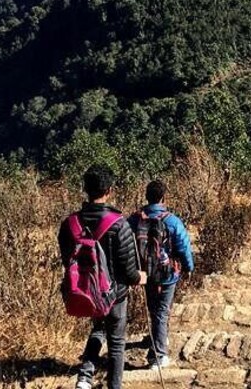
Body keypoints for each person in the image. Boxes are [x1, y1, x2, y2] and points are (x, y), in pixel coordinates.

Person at [58, 165, 145, 389]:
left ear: (85, 189)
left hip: (86, 292)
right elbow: (128, 270)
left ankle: (85, 377)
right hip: (115, 295)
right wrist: (139, 278)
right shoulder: (119, 224)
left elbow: (67, 259)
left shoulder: (70, 224)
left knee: (97, 329)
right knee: (116, 343)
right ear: (109, 190)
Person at [129, 180, 195, 369]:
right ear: (164, 197)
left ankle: (157, 338)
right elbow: (183, 246)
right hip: (168, 274)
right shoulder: (171, 220)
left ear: (146, 196)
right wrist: (189, 267)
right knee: (162, 311)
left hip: (145, 274)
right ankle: (158, 355)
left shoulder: (135, 219)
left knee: (154, 309)